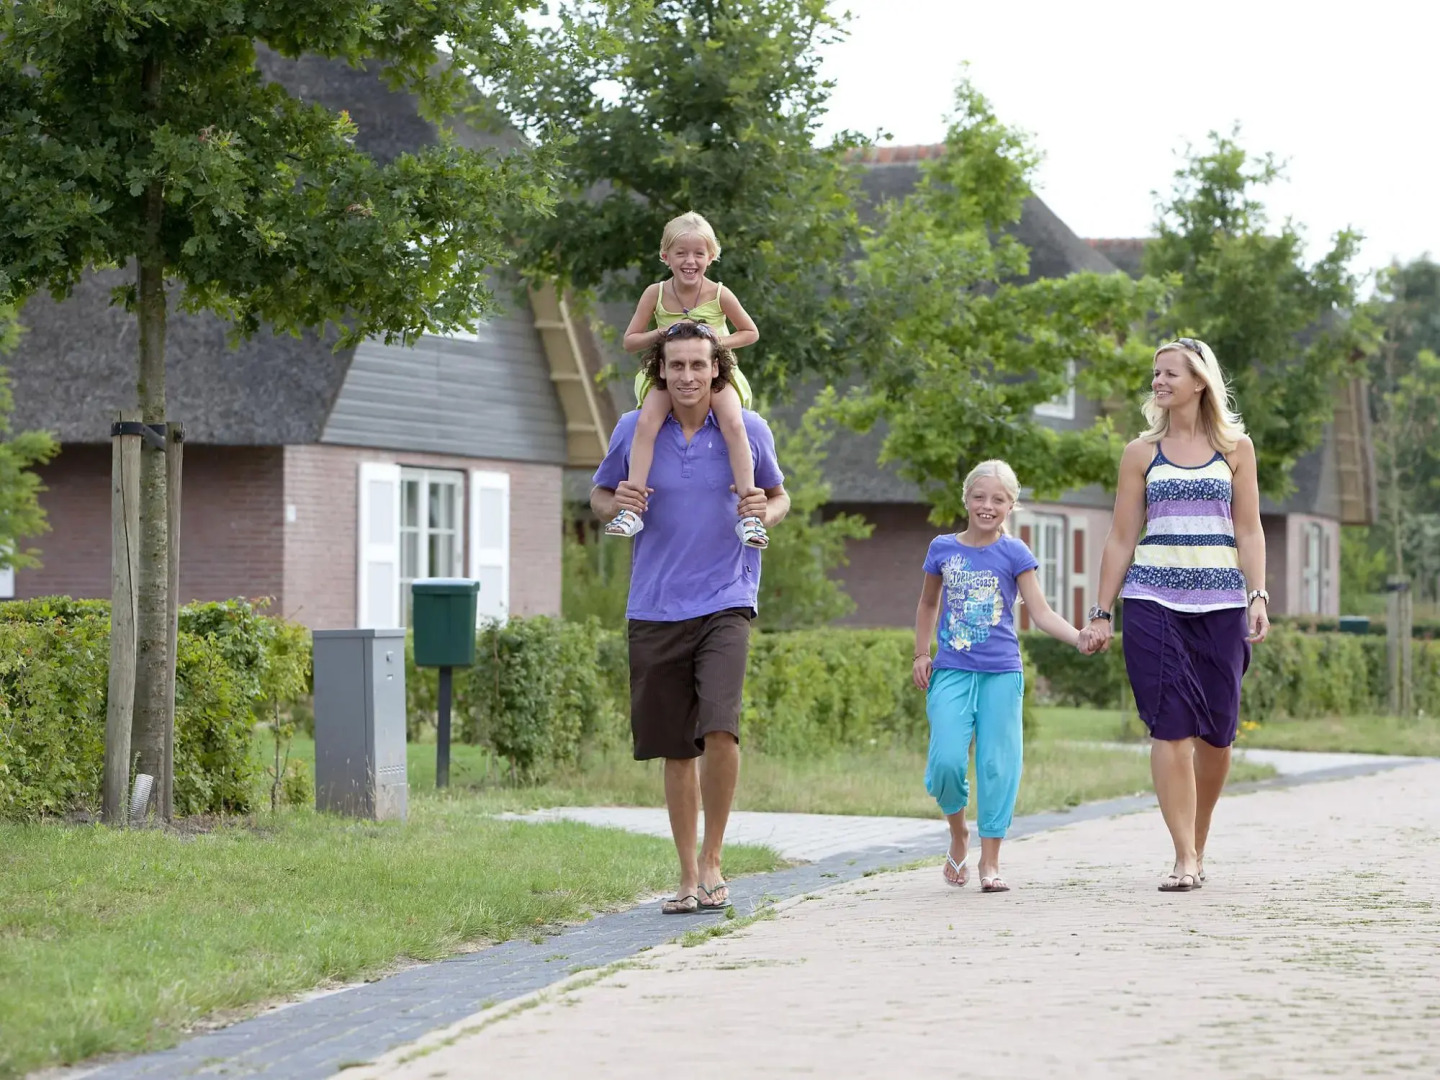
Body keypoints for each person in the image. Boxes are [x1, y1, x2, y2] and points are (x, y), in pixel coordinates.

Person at [590, 320, 789, 915]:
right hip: (654, 603)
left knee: (720, 728)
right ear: (660, 372)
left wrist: (766, 511)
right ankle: (684, 874)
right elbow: (599, 494)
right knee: (678, 748)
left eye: (697, 365)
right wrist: (616, 501)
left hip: (727, 597)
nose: (686, 376)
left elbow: (779, 496)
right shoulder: (634, 429)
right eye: (675, 366)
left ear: (716, 369)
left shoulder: (747, 429)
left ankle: (714, 861)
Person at [1080, 337, 1270, 893]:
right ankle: (1183, 855)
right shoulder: (1141, 452)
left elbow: (1250, 529)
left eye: (1169, 374)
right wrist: (1100, 611)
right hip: (1152, 601)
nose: (1158, 382)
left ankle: (1199, 840)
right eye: (1155, 374)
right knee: (1169, 726)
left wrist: (1258, 595)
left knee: (1217, 736)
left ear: (1199, 383)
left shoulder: (1236, 448)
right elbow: (1120, 537)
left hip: (1221, 606)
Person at [912, 460, 1083, 893]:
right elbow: (929, 604)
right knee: (947, 762)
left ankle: (990, 862)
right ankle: (957, 834)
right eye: (980, 497)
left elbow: (1040, 613)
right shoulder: (942, 548)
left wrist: (1079, 637)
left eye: (998, 500)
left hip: (1001, 674)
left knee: (996, 765)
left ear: (1011, 506)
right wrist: (920, 652)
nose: (987, 506)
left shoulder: (1015, 554)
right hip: (951, 670)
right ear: (966, 499)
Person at [606, 211, 768, 549]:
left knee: (734, 423)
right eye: (681, 253)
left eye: (698, 253)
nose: (690, 261)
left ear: (711, 256)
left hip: (715, 372)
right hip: (669, 372)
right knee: (646, 421)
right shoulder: (656, 292)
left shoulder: (720, 293)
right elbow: (630, 340)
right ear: (666, 256)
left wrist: (712, 344)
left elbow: (750, 332)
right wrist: (662, 332)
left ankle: (749, 513)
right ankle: (632, 507)